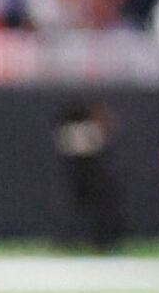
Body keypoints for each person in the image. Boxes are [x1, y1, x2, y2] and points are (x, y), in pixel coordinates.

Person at [51, 96, 122, 254]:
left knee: (93, 210)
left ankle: (98, 242)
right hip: (82, 174)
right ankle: (71, 240)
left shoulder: (78, 129)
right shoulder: (81, 130)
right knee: (75, 209)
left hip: (89, 175)